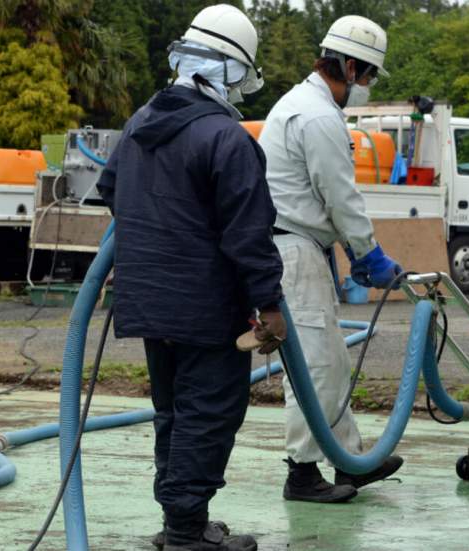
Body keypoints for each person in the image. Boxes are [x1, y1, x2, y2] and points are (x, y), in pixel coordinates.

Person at [97, 5, 284, 550]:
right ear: (227, 70)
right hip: (207, 308)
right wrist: (269, 306)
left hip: (148, 302)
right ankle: (184, 530)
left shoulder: (138, 125)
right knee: (208, 413)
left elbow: (111, 192)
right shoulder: (227, 139)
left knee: (173, 411)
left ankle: (183, 517)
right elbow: (249, 234)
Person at [258, 15, 404, 504]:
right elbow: (340, 197)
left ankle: (349, 463)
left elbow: (323, 199)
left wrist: (350, 250)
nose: (365, 86)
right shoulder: (318, 117)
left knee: (332, 362)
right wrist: (369, 253)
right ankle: (302, 474)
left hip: (301, 245)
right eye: (366, 76)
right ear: (346, 65)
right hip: (292, 250)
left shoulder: (305, 106)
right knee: (314, 367)